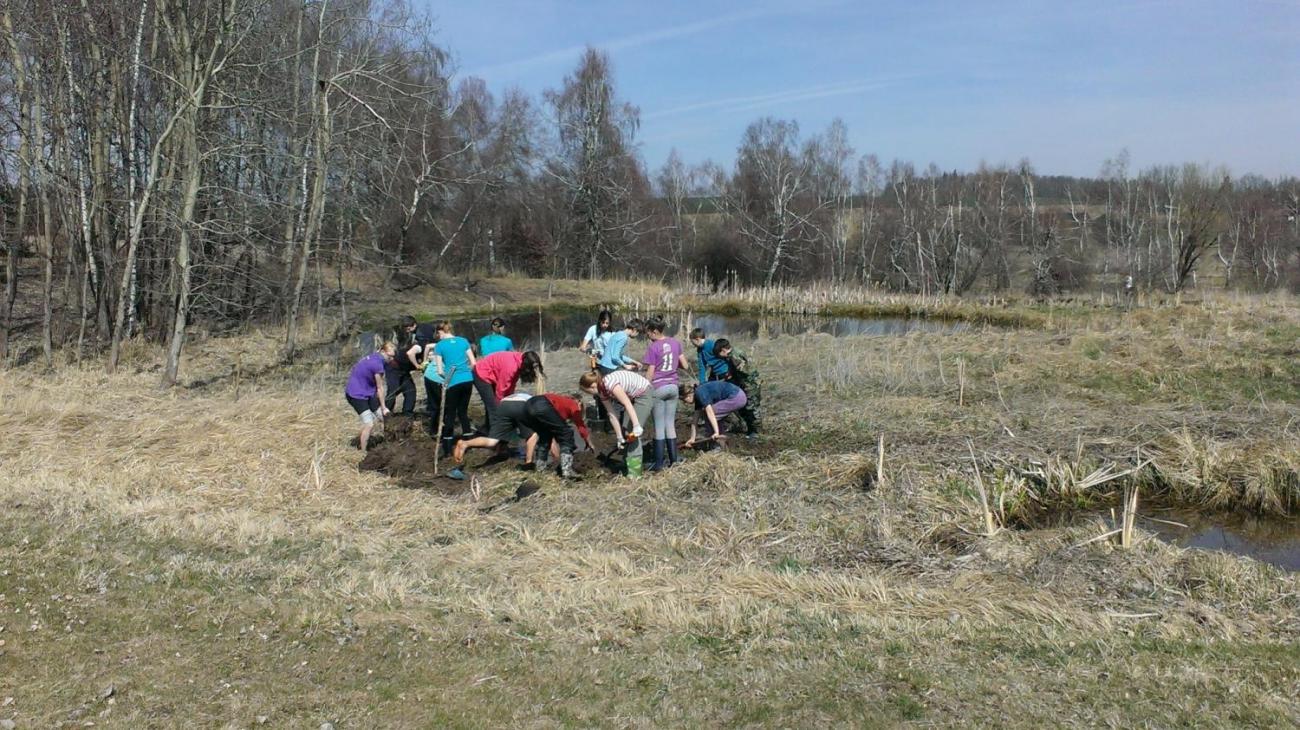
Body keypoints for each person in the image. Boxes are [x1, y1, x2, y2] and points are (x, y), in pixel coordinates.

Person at [579, 369, 652, 477]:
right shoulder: (602, 391)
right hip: (633, 398)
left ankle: (635, 474)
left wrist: (636, 426)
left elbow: (627, 403)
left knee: (633, 435)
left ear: (593, 385)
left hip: (644, 393)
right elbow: (612, 414)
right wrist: (619, 437)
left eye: (587, 391)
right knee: (626, 432)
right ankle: (629, 465)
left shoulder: (610, 384)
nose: (588, 394)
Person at [449, 391, 534, 480]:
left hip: (503, 404)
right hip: (520, 405)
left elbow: (509, 429)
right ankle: (529, 463)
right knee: (533, 435)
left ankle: (465, 443)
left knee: (493, 440)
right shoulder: (538, 404)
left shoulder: (531, 398)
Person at [423, 321, 476, 456]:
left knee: (450, 413)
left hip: (453, 381)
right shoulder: (463, 341)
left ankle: (447, 447)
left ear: (441, 332)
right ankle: (469, 443)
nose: (438, 336)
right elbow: (474, 363)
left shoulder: (440, 346)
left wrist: (447, 378)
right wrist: (464, 371)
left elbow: (440, 371)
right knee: (463, 412)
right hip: (468, 380)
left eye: (438, 334)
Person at [643, 317, 690, 471]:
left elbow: (650, 371)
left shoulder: (654, 347)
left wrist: (645, 387)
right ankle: (674, 459)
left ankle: (658, 464)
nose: (648, 336)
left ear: (655, 331)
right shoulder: (675, 343)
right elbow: (685, 364)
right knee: (670, 424)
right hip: (673, 387)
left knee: (659, 426)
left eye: (648, 333)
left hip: (659, 387)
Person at [520, 393, 595, 479]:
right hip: (541, 404)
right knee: (566, 433)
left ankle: (540, 469)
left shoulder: (560, 401)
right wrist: (589, 442)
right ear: (579, 402)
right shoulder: (573, 403)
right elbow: (580, 425)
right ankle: (567, 470)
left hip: (526, 408)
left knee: (545, 436)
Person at [472, 350, 545, 435]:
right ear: (526, 365)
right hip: (481, 374)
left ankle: (488, 429)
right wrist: (503, 406)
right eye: (531, 368)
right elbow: (501, 390)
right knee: (493, 407)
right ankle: (495, 436)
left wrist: (509, 399)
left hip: (493, 374)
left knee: (495, 405)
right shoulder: (511, 367)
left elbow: (511, 383)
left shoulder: (520, 361)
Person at [344, 342, 395, 453]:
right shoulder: (377, 364)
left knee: (384, 417)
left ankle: (390, 443)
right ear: (382, 351)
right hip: (356, 394)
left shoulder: (375, 357)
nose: (391, 359)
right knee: (369, 423)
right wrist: (383, 407)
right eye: (389, 356)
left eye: (393, 357)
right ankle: (363, 452)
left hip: (368, 392)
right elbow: (380, 388)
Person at [714, 338, 762, 439]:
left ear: (723, 350)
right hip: (745, 384)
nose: (720, 358)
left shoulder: (734, 356)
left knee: (752, 408)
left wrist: (733, 377)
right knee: (746, 408)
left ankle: (757, 432)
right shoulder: (734, 354)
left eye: (719, 354)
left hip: (750, 385)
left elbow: (745, 371)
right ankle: (750, 430)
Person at [679, 380, 747, 449]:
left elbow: (711, 413)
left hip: (737, 397)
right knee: (710, 414)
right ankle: (720, 443)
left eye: (684, 401)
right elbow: (694, 421)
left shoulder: (700, 393)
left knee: (710, 413)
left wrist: (716, 432)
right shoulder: (698, 396)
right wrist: (692, 439)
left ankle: (716, 443)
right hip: (738, 395)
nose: (685, 403)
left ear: (688, 395)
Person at [579, 310, 615, 430]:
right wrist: (587, 349)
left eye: (607, 323)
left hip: (609, 365)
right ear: (599, 321)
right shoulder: (593, 329)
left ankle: (611, 416)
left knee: (608, 388)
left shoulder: (612, 333)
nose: (605, 325)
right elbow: (583, 346)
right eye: (603, 322)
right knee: (598, 388)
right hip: (597, 363)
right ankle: (602, 414)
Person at [385, 315, 421, 414]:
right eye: (405, 327)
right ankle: (386, 414)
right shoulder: (401, 335)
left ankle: (407, 415)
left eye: (409, 327)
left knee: (410, 392)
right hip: (394, 367)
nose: (407, 329)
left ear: (414, 325)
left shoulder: (419, 334)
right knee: (392, 391)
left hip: (404, 370)